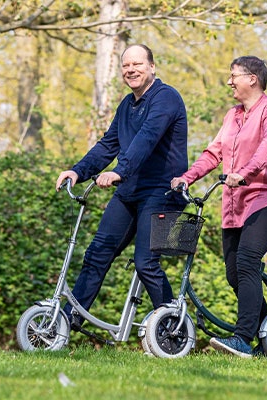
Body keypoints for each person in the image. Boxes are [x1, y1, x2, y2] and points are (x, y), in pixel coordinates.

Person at [56, 44, 188, 331]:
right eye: (126, 65)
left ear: (152, 67)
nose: (131, 70)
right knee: (97, 252)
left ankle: (172, 328)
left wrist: (118, 171)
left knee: (145, 263)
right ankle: (69, 320)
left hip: (162, 192)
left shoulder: (166, 98)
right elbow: (108, 144)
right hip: (131, 190)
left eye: (137, 64)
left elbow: (147, 138)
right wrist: (78, 171)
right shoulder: (127, 105)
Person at [171, 56, 267, 358]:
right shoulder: (232, 115)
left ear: (252, 78)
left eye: (233, 75)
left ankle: (242, 338)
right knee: (234, 274)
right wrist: (186, 178)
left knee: (248, 261)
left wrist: (245, 173)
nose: (229, 81)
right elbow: (214, 153)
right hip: (235, 205)